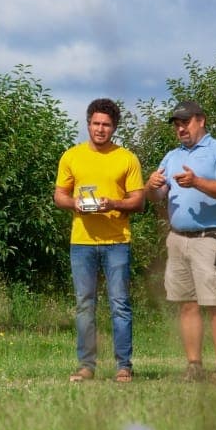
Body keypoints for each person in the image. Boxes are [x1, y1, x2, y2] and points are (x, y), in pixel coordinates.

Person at [145, 100, 216, 382]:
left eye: (185, 122)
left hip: (213, 238)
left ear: (201, 120)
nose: (180, 128)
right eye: (176, 124)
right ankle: (194, 366)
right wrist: (150, 188)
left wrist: (197, 182)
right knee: (186, 303)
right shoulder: (171, 156)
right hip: (177, 239)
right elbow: (157, 195)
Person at [54, 98, 146, 383]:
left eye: (106, 124)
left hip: (117, 240)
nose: (100, 129)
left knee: (119, 304)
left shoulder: (127, 158)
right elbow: (59, 196)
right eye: (96, 123)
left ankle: (123, 365)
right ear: (88, 124)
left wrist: (112, 203)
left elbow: (139, 201)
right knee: (84, 304)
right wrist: (74, 205)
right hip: (81, 241)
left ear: (114, 127)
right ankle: (86, 365)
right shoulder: (71, 156)